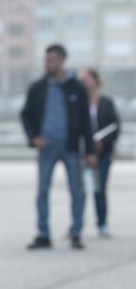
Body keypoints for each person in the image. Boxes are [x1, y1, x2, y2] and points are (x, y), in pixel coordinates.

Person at [21, 44, 97, 250]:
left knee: (77, 191)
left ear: (62, 60)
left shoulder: (76, 88)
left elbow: (86, 121)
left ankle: (76, 233)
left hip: (71, 146)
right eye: (45, 60)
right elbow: (25, 114)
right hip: (46, 147)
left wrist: (90, 151)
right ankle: (43, 233)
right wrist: (33, 138)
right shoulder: (37, 87)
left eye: (51, 60)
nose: (47, 64)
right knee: (42, 191)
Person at [78, 68, 121, 238]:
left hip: (103, 152)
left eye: (87, 78)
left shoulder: (106, 102)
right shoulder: (78, 102)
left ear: (96, 80)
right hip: (82, 152)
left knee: (100, 188)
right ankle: (77, 225)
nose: (83, 82)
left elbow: (115, 125)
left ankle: (102, 224)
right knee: (80, 190)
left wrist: (104, 142)